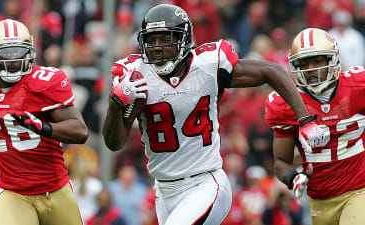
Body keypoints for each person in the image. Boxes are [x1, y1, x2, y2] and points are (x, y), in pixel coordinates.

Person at [102, 4, 324, 225]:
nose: (157, 47)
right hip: (162, 190)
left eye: (165, 38)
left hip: (205, 184)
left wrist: (305, 120)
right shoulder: (136, 76)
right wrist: (117, 103)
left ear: (183, 40)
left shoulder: (207, 65)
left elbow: (271, 71)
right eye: (152, 40)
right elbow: (114, 143)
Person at [0, 19, 89, 225]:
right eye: (6, 52)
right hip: (13, 192)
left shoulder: (46, 83)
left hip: (55, 190)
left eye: (18, 52)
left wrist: (42, 127)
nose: (13, 60)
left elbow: (80, 131)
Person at [265, 27, 365, 225]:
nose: (310, 69)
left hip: (360, 190)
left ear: (333, 60)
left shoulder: (358, 87)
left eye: (317, 61)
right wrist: (292, 178)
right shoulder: (284, 105)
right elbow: (280, 162)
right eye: (303, 63)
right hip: (320, 200)